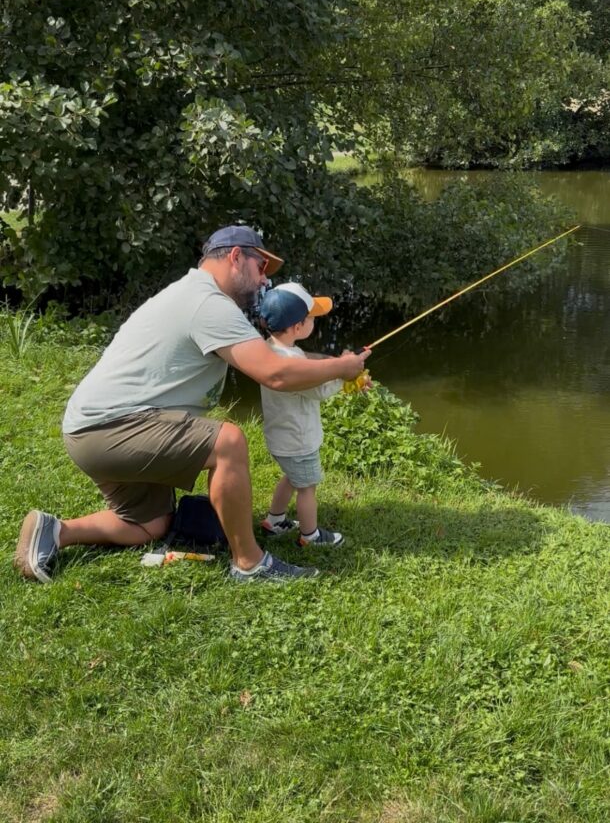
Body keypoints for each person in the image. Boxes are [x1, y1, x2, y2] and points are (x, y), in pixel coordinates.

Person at [14, 225, 370, 585]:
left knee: (149, 525)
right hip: (109, 428)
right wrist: (341, 367)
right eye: (261, 267)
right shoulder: (209, 304)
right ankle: (250, 563)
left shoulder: (197, 295)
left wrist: (332, 365)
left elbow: (280, 354)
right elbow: (275, 373)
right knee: (228, 441)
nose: (264, 281)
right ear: (235, 257)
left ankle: (56, 531)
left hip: (93, 429)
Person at [259, 283, 366, 548]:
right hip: (298, 440)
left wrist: (340, 365)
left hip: (281, 438)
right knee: (307, 488)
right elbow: (318, 390)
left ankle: (274, 520)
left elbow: (309, 365)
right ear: (297, 327)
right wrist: (347, 377)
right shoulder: (293, 364)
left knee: (292, 478)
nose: (314, 321)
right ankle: (310, 536)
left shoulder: (270, 350)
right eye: (311, 318)